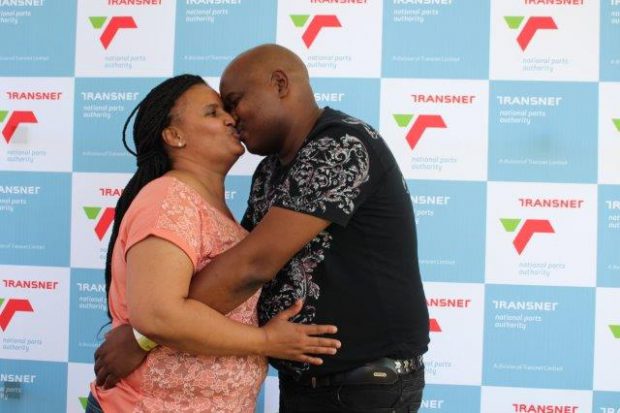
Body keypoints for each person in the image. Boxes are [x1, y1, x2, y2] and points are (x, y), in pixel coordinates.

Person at [95, 45, 430, 412]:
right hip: (307, 386)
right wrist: (154, 326)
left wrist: (144, 336)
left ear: (280, 84)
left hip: (363, 387)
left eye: (234, 102)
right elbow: (231, 272)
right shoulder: (267, 173)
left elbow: (253, 265)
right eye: (217, 110)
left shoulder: (338, 146)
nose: (232, 117)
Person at [85, 74, 341, 413]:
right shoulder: (168, 198)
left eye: (226, 110)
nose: (230, 119)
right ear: (174, 136)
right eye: (212, 112)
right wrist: (266, 341)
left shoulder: (205, 205)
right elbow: (158, 315)